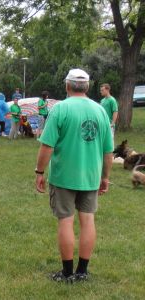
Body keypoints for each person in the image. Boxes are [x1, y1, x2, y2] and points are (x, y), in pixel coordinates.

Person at [35, 68, 113, 283]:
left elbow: (47, 146)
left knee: (66, 222)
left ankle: (68, 272)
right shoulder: (100, 111)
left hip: (63, 177)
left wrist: (39, 172)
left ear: (67, 85)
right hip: (90, 177)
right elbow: (108, 152)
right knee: (88, 221)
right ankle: (82, 271)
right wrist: (105, 178)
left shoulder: (60, 109)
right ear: (87, 86)